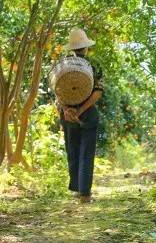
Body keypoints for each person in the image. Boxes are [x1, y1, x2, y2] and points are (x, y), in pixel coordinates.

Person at [57, 28, 103, 203]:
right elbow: (97, 93)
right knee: (86, 152)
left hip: (67, 113)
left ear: (72, 48)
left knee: (73, 150)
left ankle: (77, 189)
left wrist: (67, 110)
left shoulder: (63, 65)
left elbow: (57, 91)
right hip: (88, 113)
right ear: (86, 48)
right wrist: (81, 111)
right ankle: (84, 193)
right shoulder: (94, 65)